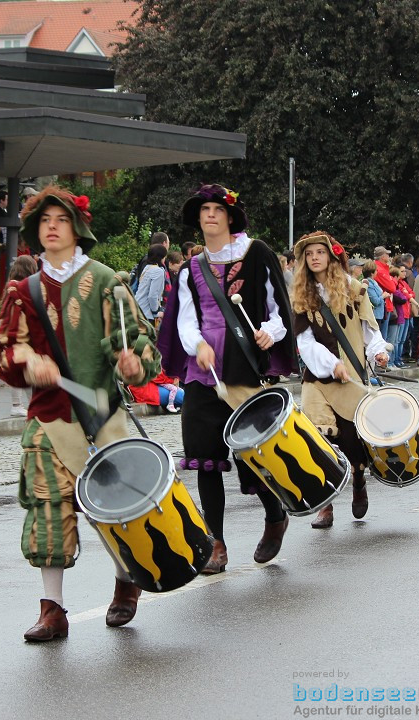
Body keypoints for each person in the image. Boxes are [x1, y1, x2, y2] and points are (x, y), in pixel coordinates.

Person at [0, 185, 159, 641]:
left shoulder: (105, 281)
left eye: (60, 219)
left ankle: (126, 584)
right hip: (48, 418)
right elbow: (5, 354)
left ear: (77, 228)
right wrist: (27, 362)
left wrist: (133, 363)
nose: (51, 226)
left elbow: (142, 348)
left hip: (102, 415)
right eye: (44, 220)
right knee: (46, 509)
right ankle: (53, 609)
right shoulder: (22, 290)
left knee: (122, 509)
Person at [156, 183, 296, 574]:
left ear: (231, 216)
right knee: (204, 459)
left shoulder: (258, 254)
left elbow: (277, 310)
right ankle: (214, 543)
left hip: (245, 365)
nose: (211, 214)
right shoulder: (190, 269)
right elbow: (185, 317)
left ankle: (274, 516)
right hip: (204, 373)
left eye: (218, 208)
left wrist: (272, 331)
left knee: (253, 456)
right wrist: (196, 344)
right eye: (205, 210)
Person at [291, 232, 389, 528]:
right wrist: (330, 364)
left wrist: (378, 353)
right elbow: (305, 343)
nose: (315, 258)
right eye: (310, 254)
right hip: (317, 379)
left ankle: (358, 480)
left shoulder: (355, 289)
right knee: (317, 439)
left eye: (320, 252)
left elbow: (370, 331)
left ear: (332, 256)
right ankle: (326, 503)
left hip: (352, 377)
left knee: (351, 440)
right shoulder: (302, 296)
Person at [5, 254, 38, 417]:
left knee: (20, 368)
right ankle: (20, 404)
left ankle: (25, 403)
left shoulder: (11, 285)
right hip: (20, 332)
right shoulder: (19, 287)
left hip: (13, 332)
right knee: (24, 369)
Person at [134, 243, 169, 324]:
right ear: (161, 257)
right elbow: (152, 295)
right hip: (146, 313)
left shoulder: (147, 268)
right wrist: (156, 312)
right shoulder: (158, 271)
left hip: (138, 308)